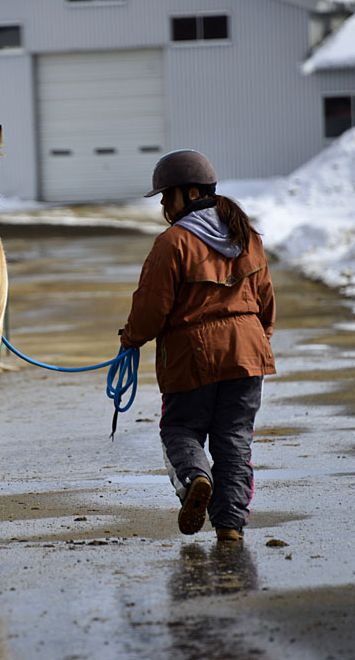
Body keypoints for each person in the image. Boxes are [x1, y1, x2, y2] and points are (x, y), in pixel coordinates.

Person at [120, 150, 276, 542]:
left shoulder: (172, 244)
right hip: (247, 356)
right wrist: (253, 344)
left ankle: (195, 479)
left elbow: (151, 309)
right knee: (235, 442)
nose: (161, 204)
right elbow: (266, 302)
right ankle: (230, 528)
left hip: (193, 358)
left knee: (180, 428)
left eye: (165, 195)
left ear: (190, 193)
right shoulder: (248, 236)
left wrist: (130, 340)